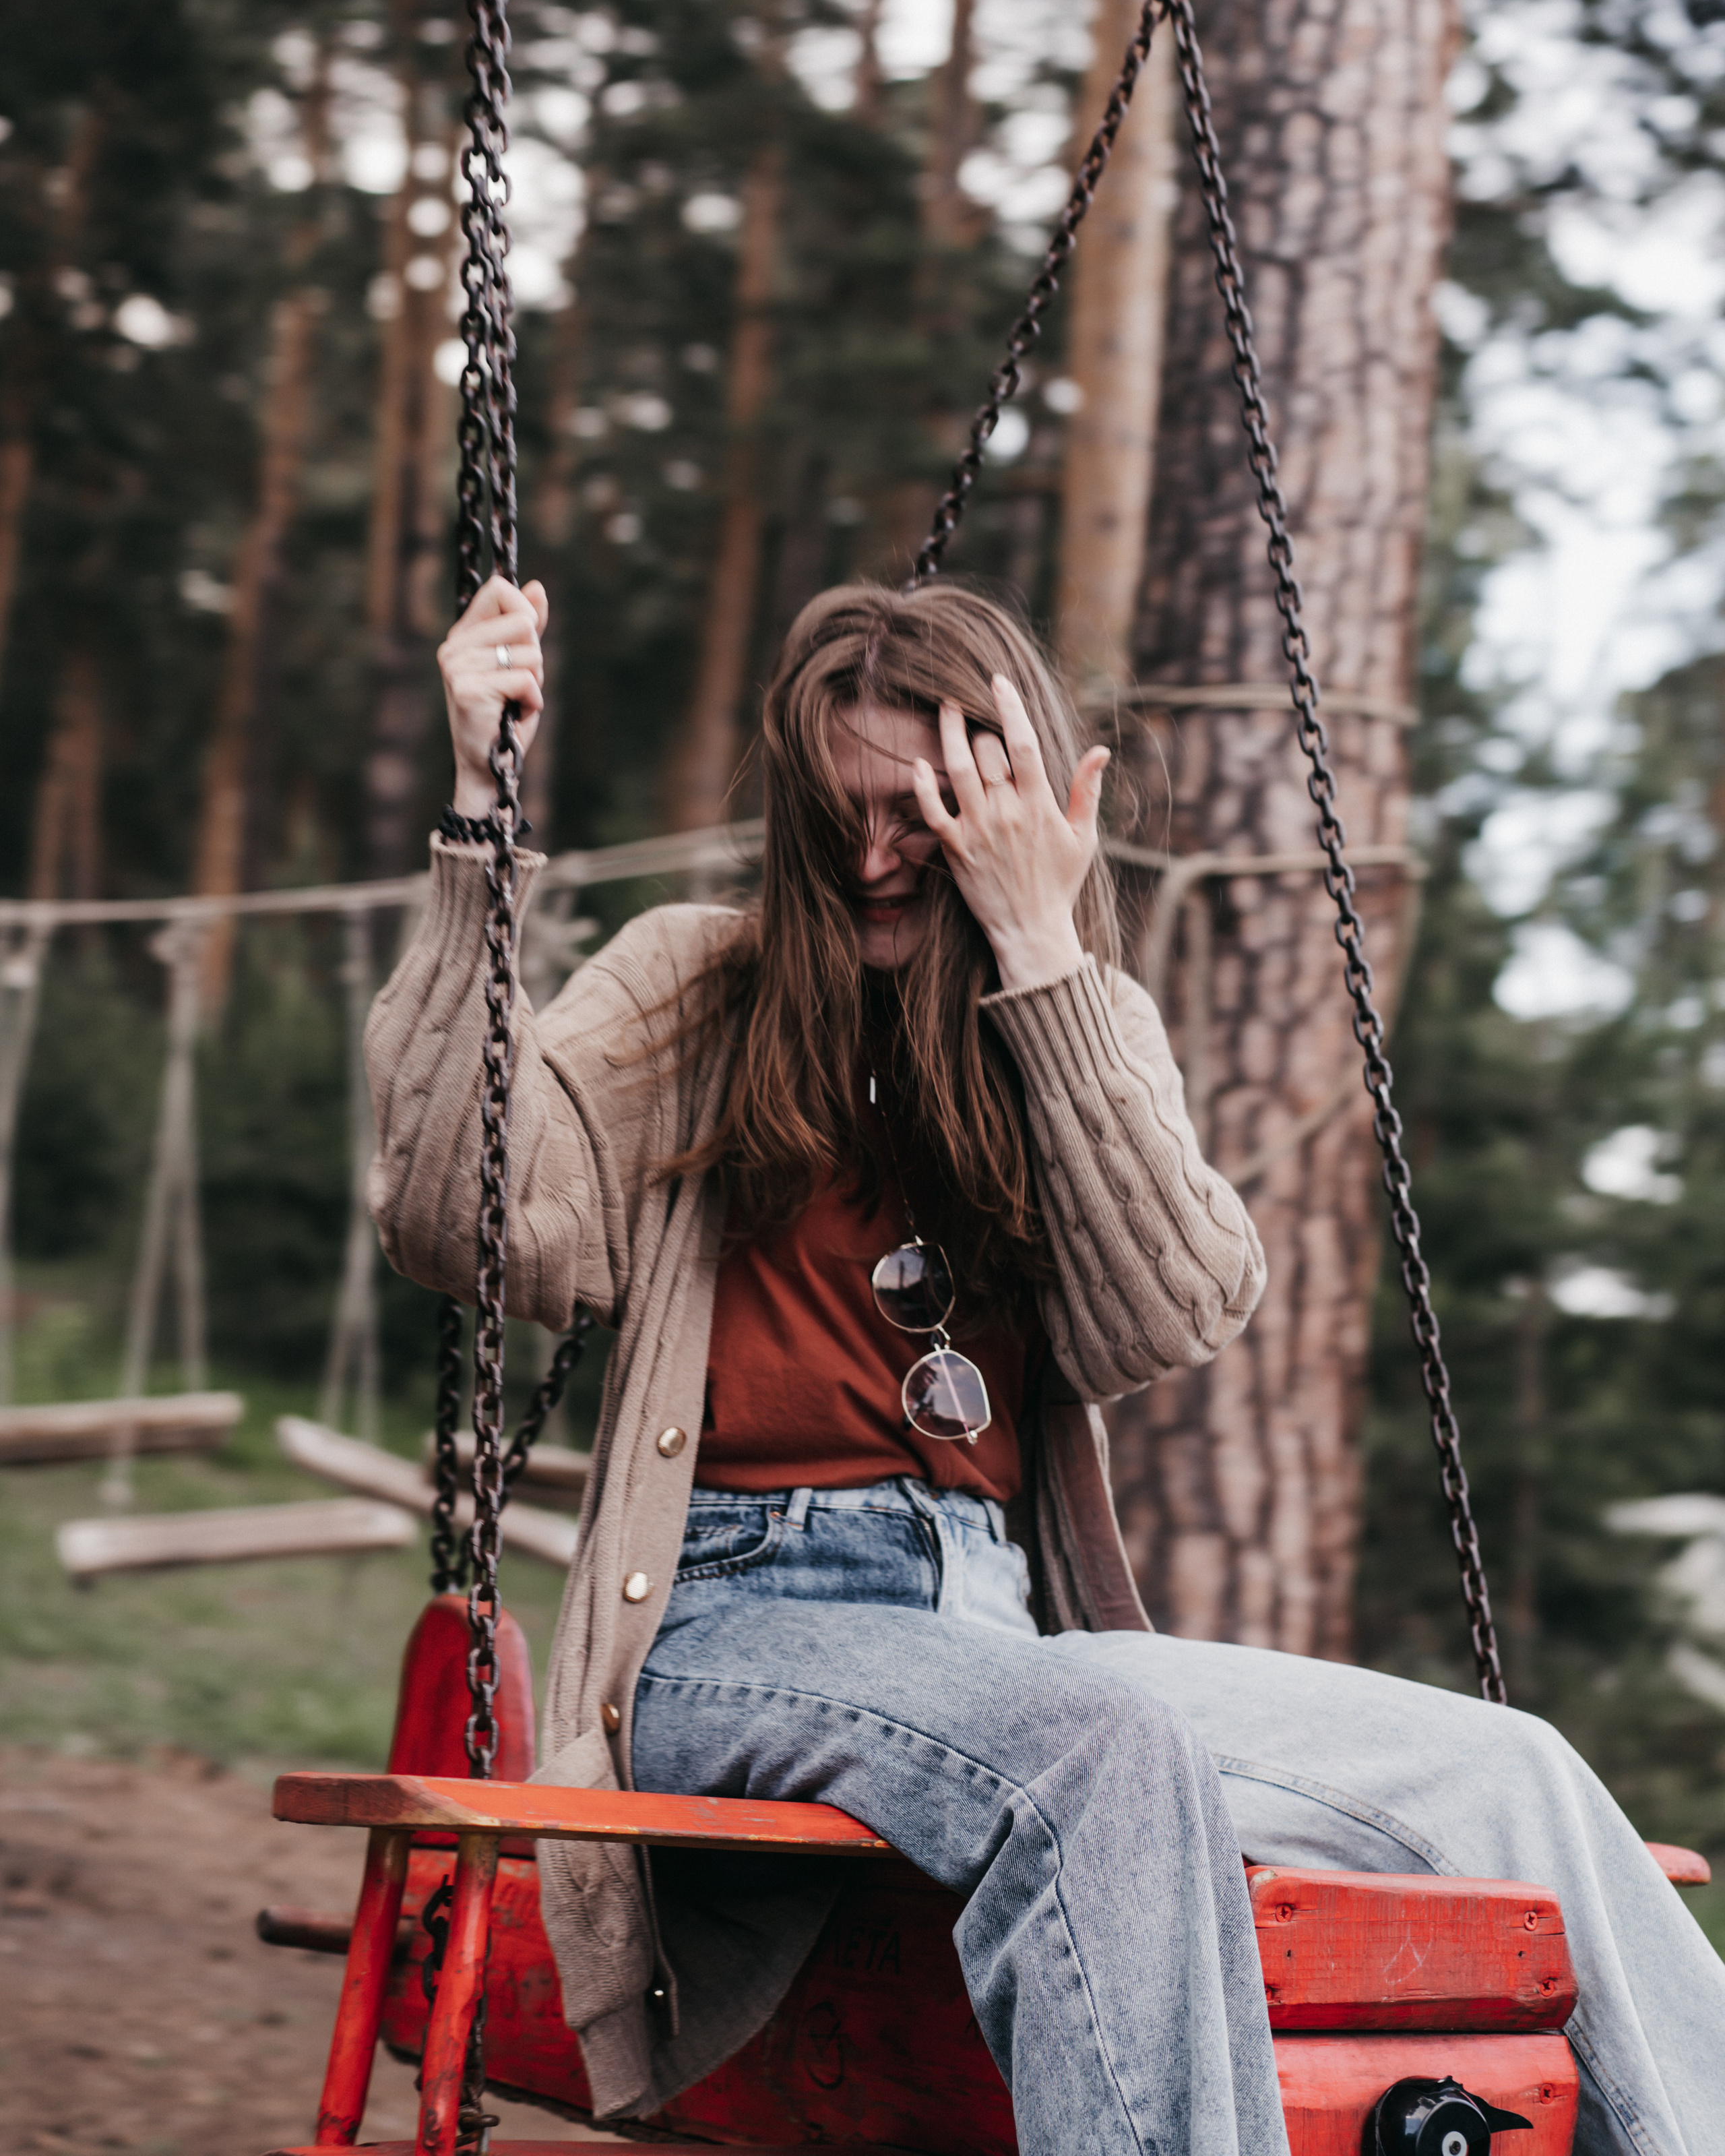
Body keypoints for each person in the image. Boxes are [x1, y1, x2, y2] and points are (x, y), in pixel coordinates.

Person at [368, 572, 1723, 2156]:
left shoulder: (1065, 1017)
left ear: (1010, 801)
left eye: (920, 811)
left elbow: (1172, 1310)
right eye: (835, 814)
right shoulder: (696, 986)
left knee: (1516, 1775)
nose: (873, 856)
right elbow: (451, 1211)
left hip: (1008, 1635)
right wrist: (479, 811)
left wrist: (1037, 953)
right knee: (1104, 1752)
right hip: (729, 1617)